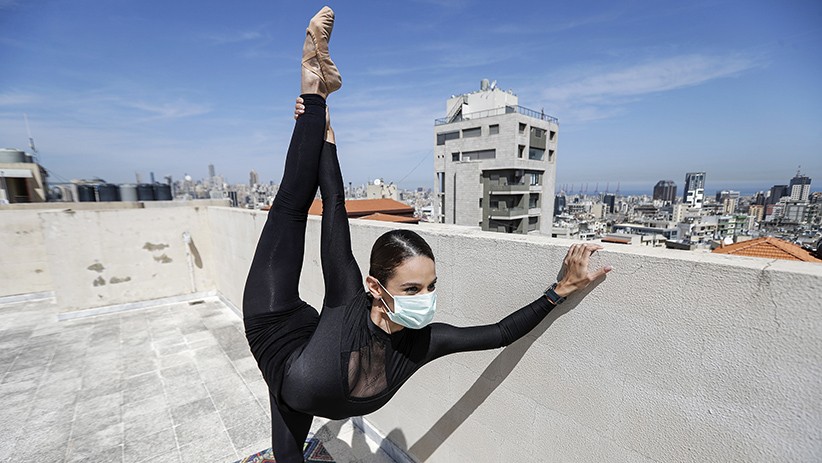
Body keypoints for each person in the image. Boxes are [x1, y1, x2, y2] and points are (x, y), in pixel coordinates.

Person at [242, 7, 612, 463]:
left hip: (301, 380)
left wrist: (561, 291)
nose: (427, 298)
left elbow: (498, 333)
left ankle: (317, 96)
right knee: (291, 206)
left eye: (431, 286)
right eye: (413, 288)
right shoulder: (346, 300)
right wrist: (322, 130)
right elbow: (333, 206)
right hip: (275, 323)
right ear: (375, 288)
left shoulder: (423, 343)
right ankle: (313, 85)